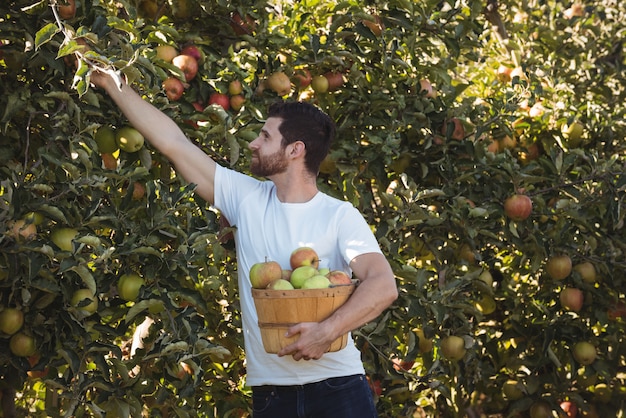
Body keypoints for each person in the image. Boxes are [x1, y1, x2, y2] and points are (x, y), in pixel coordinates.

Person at [90, 70, 398, 418]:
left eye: (266, 136)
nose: (254, 142)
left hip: (337, 389)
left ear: (295, 150)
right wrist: (113, 84)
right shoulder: (246, 198)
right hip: (270, 396)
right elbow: (173, 142)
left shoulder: (339, 216)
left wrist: (327, 331)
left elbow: (383, 284)